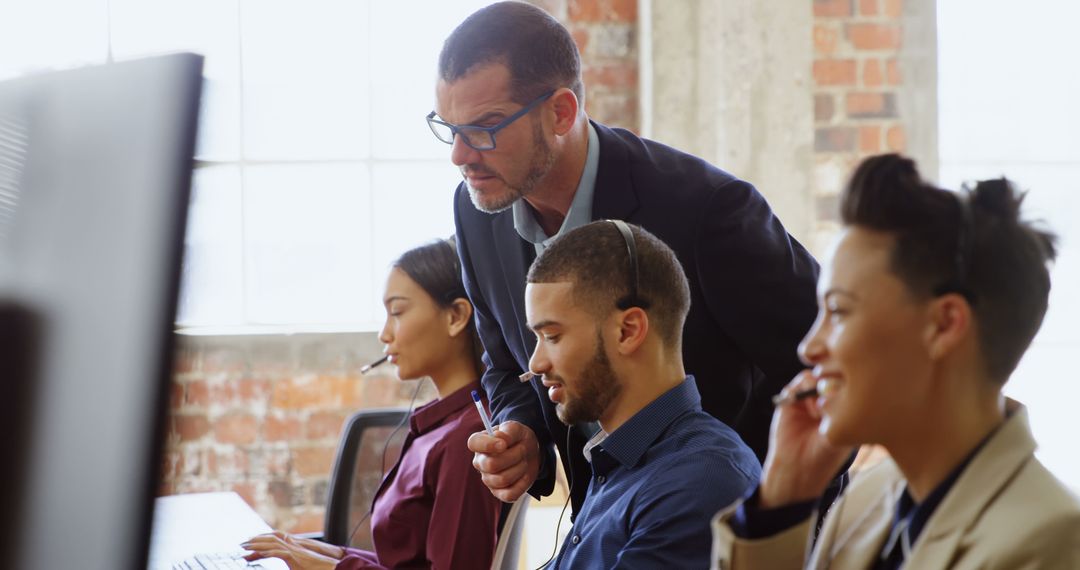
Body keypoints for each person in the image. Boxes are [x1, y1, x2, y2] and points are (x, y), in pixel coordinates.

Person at [432, 0, 819, 515]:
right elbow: (503, 362)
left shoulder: (706, 210)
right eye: (449, 128)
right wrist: (522, 430)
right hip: (602, 523)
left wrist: (767, 518)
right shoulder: (477, 209)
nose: (460, 155)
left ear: (561, 112)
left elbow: (824, 366)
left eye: (484, 128)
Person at [711, 154, 1080, 569]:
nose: (809, 348)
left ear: (944, 325)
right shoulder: (865, 502)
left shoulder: (1050, 539)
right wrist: (780, 503)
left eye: (838, 311)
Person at [242, 240, 501, 569]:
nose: (384, 334)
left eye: (397, 312)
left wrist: (333, 567)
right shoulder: (438, 428)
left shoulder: (467, 438)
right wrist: (317, 552)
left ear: (456, 316)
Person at [525, 220, 760, 568]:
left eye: (553, 337)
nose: (536, 362)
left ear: (627, 331)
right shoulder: (620, 461)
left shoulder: (698, 483)